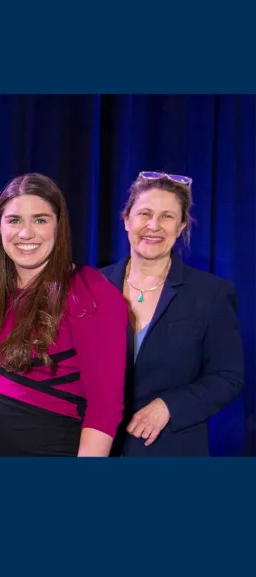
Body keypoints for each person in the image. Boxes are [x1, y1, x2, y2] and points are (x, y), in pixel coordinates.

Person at [0, 173, 127, 456]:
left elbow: (105, 407)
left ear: (59, 226)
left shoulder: (89, 291)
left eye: (40, 220)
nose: (26, 233)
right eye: (14, 220)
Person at [101, 171, 244, 456]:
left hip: (169, 448)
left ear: (180, 227)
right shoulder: (93, 286)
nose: (153, 225)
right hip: (97, 449)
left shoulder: (211, 293)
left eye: (167, 216)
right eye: (144, 213)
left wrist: (170, 406)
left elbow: (228, 377)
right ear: (126, 220)